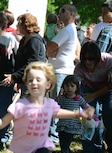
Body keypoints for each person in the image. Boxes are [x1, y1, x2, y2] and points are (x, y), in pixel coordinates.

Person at [74, 42, 112, 153]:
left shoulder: (108, 61)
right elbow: (76, 86)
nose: (88, 62)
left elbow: (111, 85)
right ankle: (89, 150)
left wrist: (93, 96)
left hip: (111, 89)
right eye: (85, 59)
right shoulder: (79, 69)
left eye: (91, 59)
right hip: (90, 87)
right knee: (89, 117)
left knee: (109, 120)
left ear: (97, 58)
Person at [46, 4, 79, 143]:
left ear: (71, 14)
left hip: (60, 72)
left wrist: (52, 52)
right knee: (59, 103)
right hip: (62, 70)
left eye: (63, 10)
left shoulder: (66, 30)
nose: (59, 13)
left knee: (55, 103)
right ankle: (55, 134)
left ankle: (53, 136)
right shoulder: (70, 30)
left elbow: (50, 47)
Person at [1, 13, 46, 95]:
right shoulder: (24, 40)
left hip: (34, 80)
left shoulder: (34, 40)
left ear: (25, 26)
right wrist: (18, 80)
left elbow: (32, 63)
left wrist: (14, 76)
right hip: (25, 80)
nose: (17, 26)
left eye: (19, 24)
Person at [0, 10, 17, 151]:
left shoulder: (9, 39)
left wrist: (14, 77)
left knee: (3, 109)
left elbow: (13, 59)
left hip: (5, 80)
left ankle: (1, 139)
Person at [54, 75, 90, 153]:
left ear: (76, 87)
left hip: (72, 126)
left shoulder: (79, 99)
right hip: (62, 125)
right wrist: (58, 96)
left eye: (72, 86)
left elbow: (86, 107)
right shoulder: (62, 98)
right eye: (67, 86)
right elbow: (55, 106)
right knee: (63, 144)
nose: (69, 88)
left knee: (65, 144)